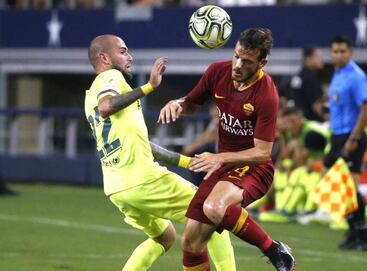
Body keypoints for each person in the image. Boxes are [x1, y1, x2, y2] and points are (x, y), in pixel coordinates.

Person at [84, 34, 236, 271]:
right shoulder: (110, 77)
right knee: (211, 215)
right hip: (142, 179)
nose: (130, 57)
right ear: (104, 57)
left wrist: (189, 162)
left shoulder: (89, 95)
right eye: (123, 51)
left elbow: (145, 146)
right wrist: (149, 87)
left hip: (117, 189)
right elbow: (106, 107)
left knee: (164, 238)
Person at [158, 28, 295, 271]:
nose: (238, 65)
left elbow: (262, 153)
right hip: (222, 165)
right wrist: (177, 103)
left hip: (253, 168)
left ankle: (273, 249)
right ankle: (275, 249)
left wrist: (219, 157)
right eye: (236, 56)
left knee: (214, 208)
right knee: (191, 242)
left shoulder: (266, 94)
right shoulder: (217, 71)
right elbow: (192, 103)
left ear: (262, 63)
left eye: (247, 61)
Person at [324, 35, 367, 251]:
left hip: (351, 136)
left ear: (350, 52)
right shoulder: (337, 74)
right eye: (335, 51)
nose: (339, 54)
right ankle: (353, 230)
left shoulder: (356, 76)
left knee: (350, 187)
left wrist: (354, 138)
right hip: (337, 136)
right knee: (340, 187)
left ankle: (362, 237)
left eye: (343, 51)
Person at [289, 46, 324, 122]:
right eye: (318, 56)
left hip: (299, 122)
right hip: (312, 124)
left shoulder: (298, 76)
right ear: (308, 58)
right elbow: (316, 106)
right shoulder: (310, 78)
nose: (321, 59)